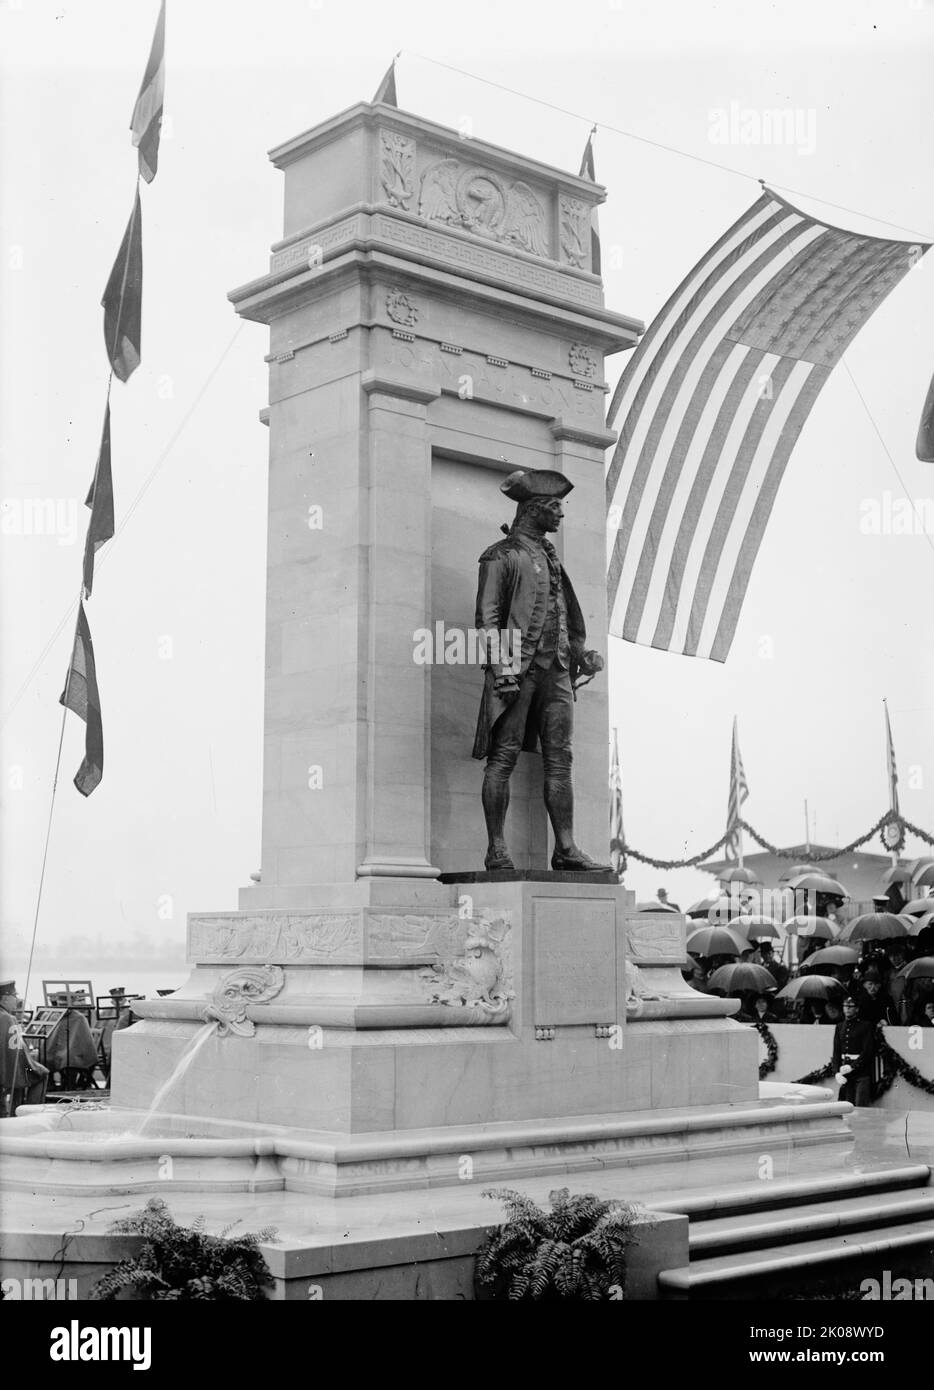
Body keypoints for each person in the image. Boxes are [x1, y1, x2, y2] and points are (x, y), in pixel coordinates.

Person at [473, 468, 608, 873]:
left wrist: (581, 651)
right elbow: (487, 617)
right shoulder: (500, 555)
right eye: (554, 508)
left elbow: (563, 611)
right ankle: (497, 848)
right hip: (517, 670)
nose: (561, 516)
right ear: (533, 510)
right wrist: (502, 669)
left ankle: (565, 847)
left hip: (558, 670)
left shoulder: (551, 557)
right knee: (503, 757)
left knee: (561, 759)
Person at [0, 980, 49, 1116]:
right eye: (14, 996)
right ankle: (29, 1114)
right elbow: (18, 1054)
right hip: (6, 1074)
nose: (17, 999)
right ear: (4, 999)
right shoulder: (8, 1019)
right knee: (40, 1073)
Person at [832, 995, 877, 1107]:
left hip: (861, 1073)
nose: (847, 1008)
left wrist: (852, 1066)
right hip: (845, 1074)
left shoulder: (865, 1026)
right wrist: (836, 1072)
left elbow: (867, 1051)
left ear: (857, 1009)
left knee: (860, 1107)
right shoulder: (840, 1026)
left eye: (851, 1006)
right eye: (845, 1006)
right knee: (845, 1106)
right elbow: (836, 1051)